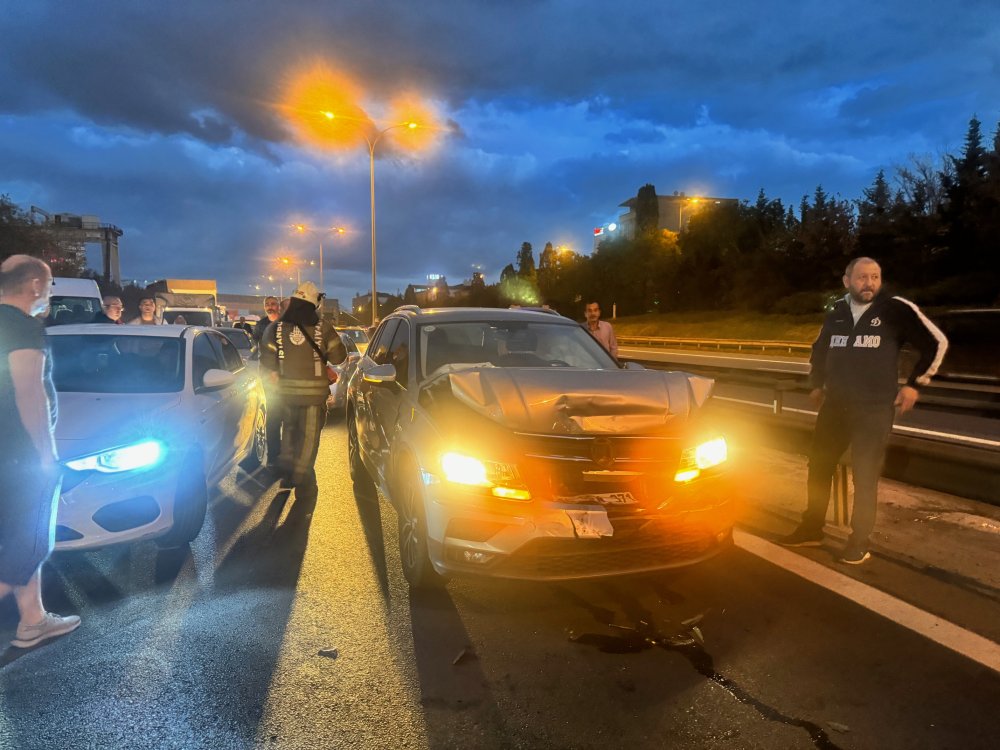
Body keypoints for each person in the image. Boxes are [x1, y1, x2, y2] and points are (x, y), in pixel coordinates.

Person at [779, 257, 948, 564]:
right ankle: (811, 528)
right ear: (847, 281)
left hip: (873, 410)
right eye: (861, 277)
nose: (869, 283)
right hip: (835, 407)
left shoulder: (895, 308)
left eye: (875, 277)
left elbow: (937, 343)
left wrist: (915, 384)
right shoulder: (838, 312)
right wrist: (817, 384)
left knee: (865, 476)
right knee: (818, 467)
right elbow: (820, 349)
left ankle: (859, 541)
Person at [0, 255, 81, 648]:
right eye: (48, 285)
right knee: (32, 543)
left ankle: (32, 619)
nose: (48, 293)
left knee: (16, 538)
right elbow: (29, 392)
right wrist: (46, 455)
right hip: (19, 455)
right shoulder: (22, 326)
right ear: (34, 285)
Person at [260, 282, 346, 504]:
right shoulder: (323, 328)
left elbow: (267, 362)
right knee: (308, 441)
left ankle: (288, 472)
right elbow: (339, 357)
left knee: (289, 434)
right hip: (314, 399)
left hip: (285, 397)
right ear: (313, 304)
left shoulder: (275, 328)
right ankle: (304, 484)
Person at [253, 296, 283, 465]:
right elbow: (258, 350)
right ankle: (273, 457)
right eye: (267, 305)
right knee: (273, 416)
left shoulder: (286, 324)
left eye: (272, 304)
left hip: (287, 375)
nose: (270, 307)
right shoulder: (260, 326)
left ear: (278, 306)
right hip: (269, 377)